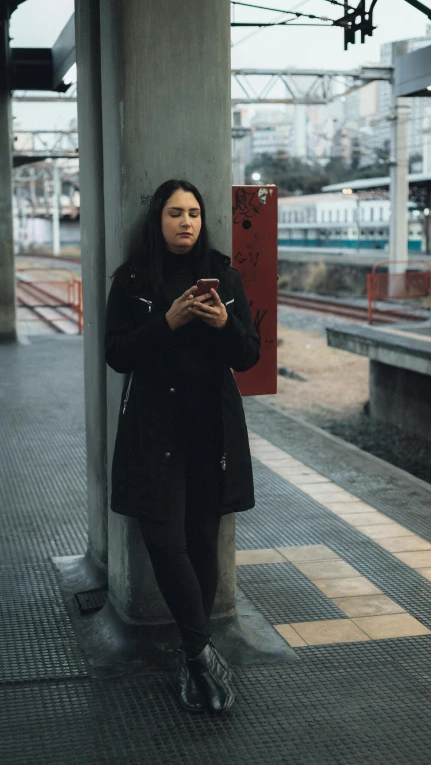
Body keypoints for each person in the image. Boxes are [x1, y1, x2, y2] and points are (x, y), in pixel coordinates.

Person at [105, 179, 260, 713]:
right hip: (154, 434)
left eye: (193, 212)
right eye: (175, 213)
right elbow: (117, 354)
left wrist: (223, 324)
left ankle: (195, 657)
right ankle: (199, 654)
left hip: (209, 436)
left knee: (200, 543)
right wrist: (165, 322)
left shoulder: (225, 276)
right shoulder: (131, 281)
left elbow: (248, 355)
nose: (186, 222)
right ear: (158, 220)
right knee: (165, 543)